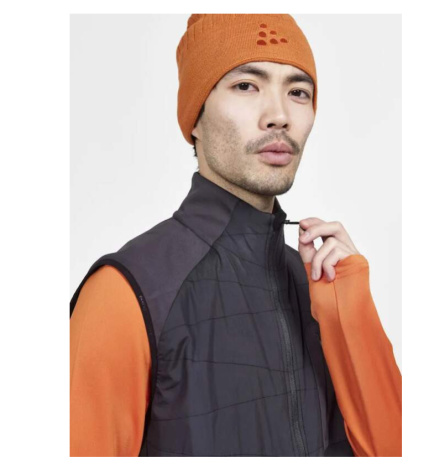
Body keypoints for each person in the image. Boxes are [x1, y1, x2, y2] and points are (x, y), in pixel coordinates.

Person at [70, 14, 402, 457]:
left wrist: (351, 314)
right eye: (246, 86)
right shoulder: (127, 292)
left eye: (298, 92)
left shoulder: (323, 287)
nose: (279, 116)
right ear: (195, 118)